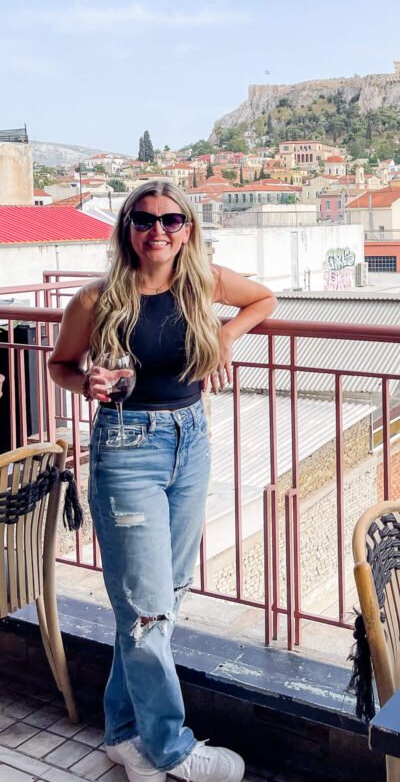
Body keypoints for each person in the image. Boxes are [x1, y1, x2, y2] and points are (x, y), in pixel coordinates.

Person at [49, 180, 277, 782]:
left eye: (172, 220)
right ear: (127, 229)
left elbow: (264, 299)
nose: (159, 231)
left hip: (190, 440)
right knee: (147, 609)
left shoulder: (203, 283)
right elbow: (59, 365)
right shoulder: (97, 300)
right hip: (126, 448)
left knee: (165, 596)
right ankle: (171, 748)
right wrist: (87, 384)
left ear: (188, 228)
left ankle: (125, 736)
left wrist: (226, 337)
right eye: (145, 220)